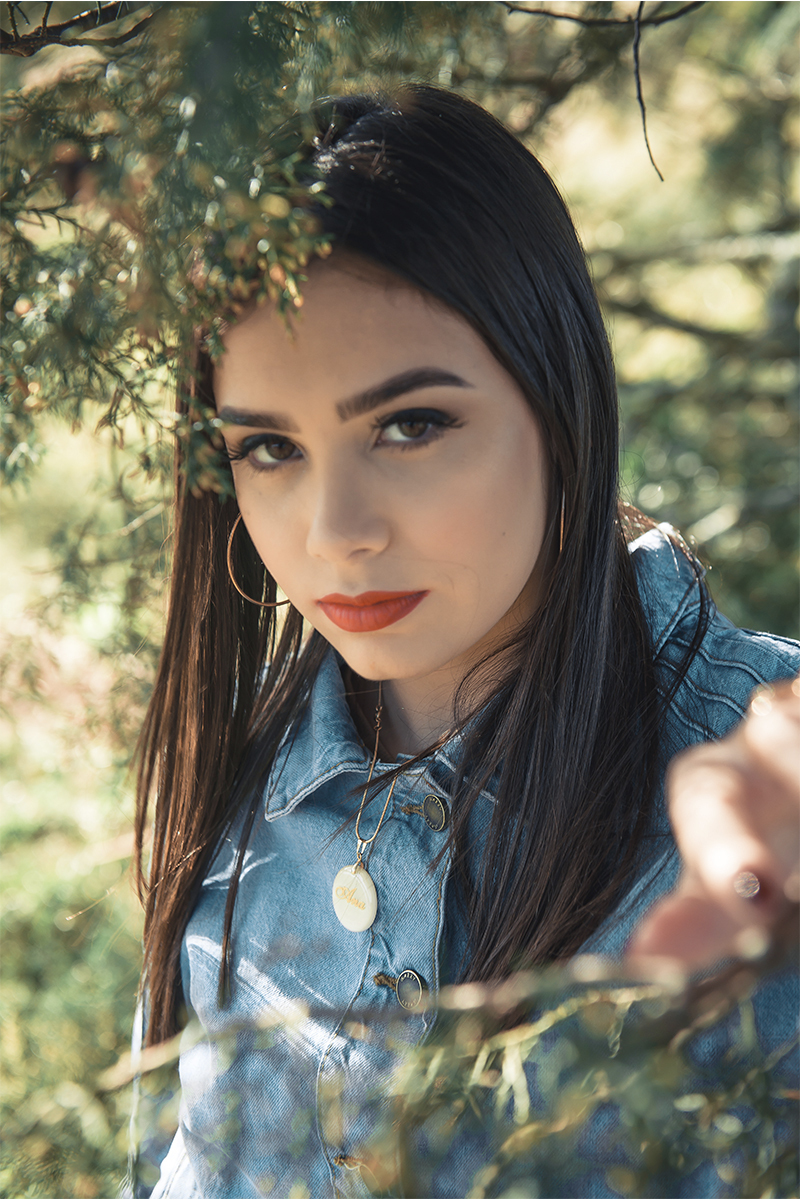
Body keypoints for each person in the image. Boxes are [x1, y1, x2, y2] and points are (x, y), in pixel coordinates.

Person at [130, 86, 799, 1199]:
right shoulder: (234, 780)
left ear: (557, 397)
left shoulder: (764, 786)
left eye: (411, 425)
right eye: (267, 449)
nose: (335, 533)